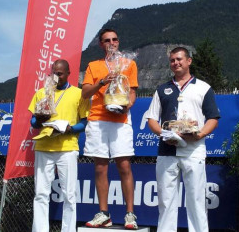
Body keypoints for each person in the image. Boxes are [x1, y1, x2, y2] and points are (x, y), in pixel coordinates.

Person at [146, 47, 221, 232]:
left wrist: (200, 134)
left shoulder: (203, 88)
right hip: (167, 151)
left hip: (193, 150)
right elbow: (151, 119)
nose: (175, 63)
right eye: (172, 60)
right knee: (165, 201)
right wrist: (164, 134)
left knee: (196, 200)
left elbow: (213, 118)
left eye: (179, 59)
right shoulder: (162, 89)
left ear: (189, 61)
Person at [81, 28, 139, 229]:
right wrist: (102, 82)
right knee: (100, 167)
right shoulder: (93, 66)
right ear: (101, 44)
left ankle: (130, 214)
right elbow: (85, 93)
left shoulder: (129, 64)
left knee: (124, 166)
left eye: (114, 39)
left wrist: (127, 105)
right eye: (107, 40)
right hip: (97, 119)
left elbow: (132, 92)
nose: (111, 43)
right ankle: (104, 213)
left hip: (120, 119)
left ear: (118, 42)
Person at [28, 59, 90, 232]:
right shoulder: (42, 93)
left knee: (69, 195)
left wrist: (70, 129)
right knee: (41, 194)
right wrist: (39, 120)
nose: (56, 76)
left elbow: (85, 122)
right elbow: (33, 122)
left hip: (67, 148)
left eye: (60, 73)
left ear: (69, 73)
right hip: (44, 147)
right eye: (53, 73)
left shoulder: (79, 94)